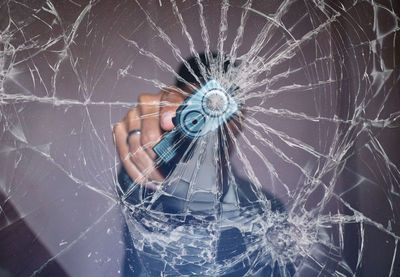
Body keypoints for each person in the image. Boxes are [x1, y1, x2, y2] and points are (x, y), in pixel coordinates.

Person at [113, 54, 291, 276]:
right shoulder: (149, 189)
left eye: (222, 104)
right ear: (179, 111)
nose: (211, 120)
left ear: (242, 114)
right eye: (199, 105)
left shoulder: (268, 209)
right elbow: (136, 179)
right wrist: (145, 142)